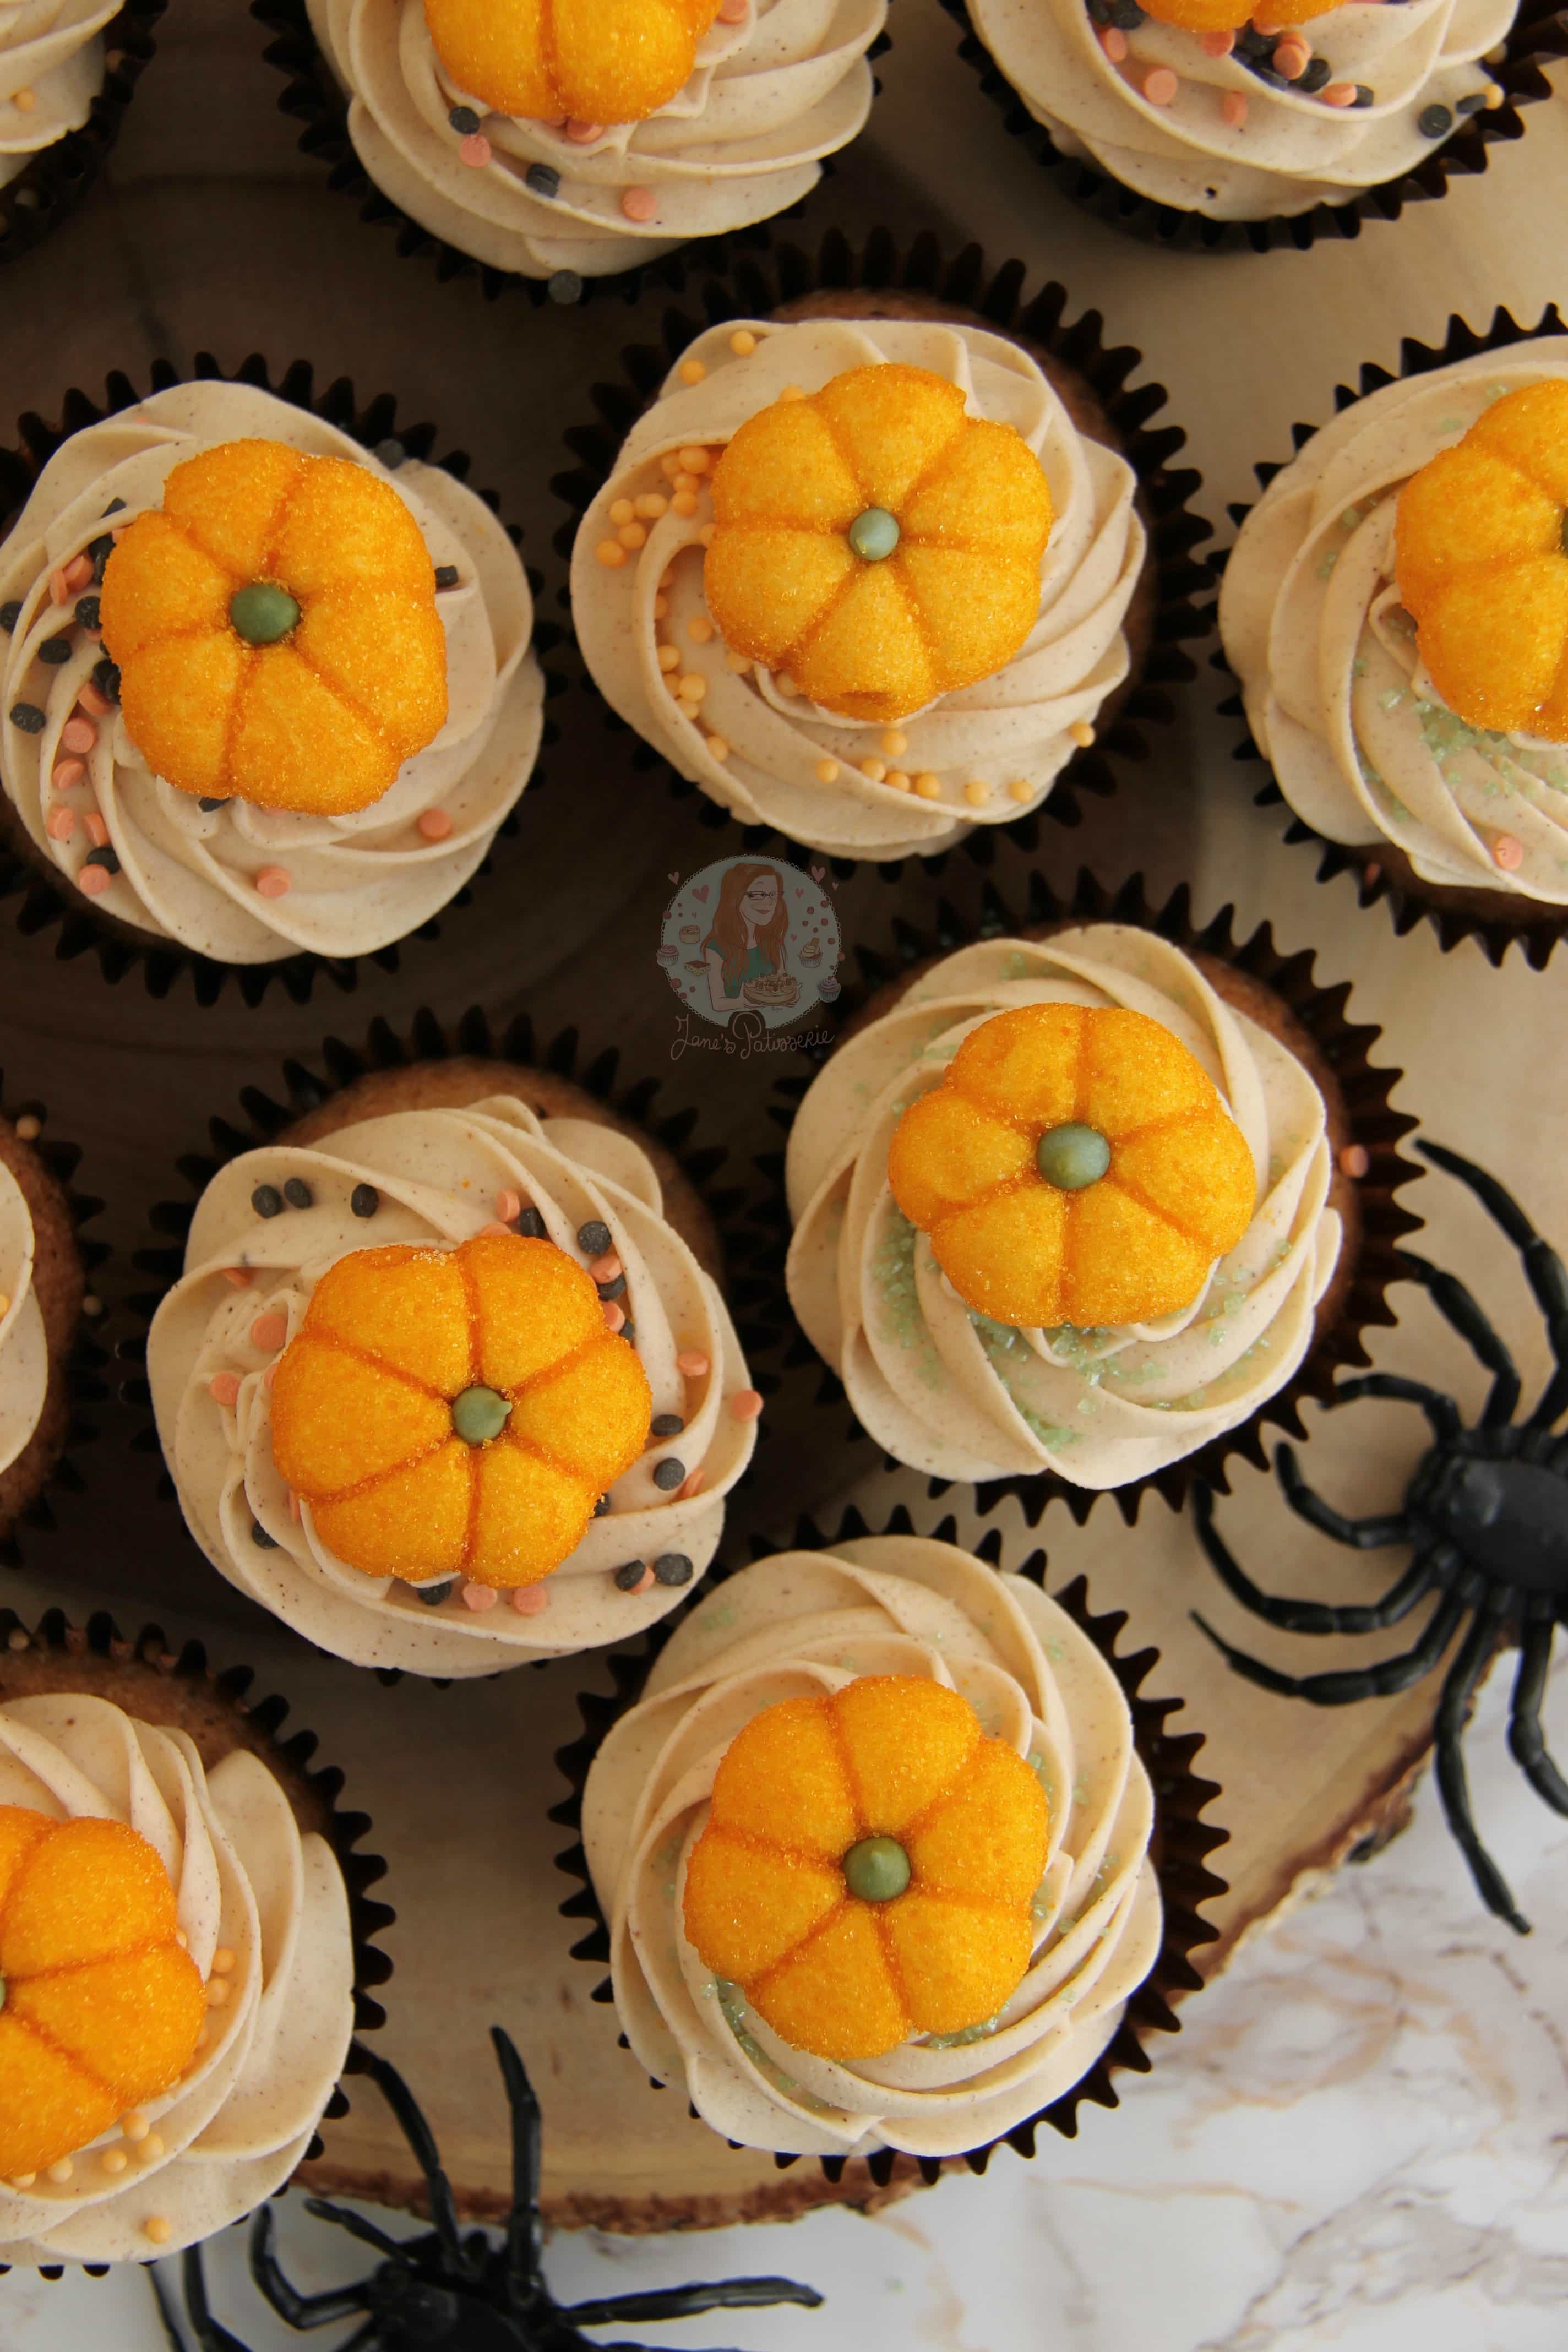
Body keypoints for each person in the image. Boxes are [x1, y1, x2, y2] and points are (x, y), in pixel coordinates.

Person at [704, 861, 788, 1022]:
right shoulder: (716, 947)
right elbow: (718, 1003)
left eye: (773, 894)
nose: (769, 902)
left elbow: (783, 983)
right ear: (735, 896)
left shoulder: (772, 942)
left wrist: (789, 996)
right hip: (735, 1022)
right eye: (758, 894)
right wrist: (742, 1002)